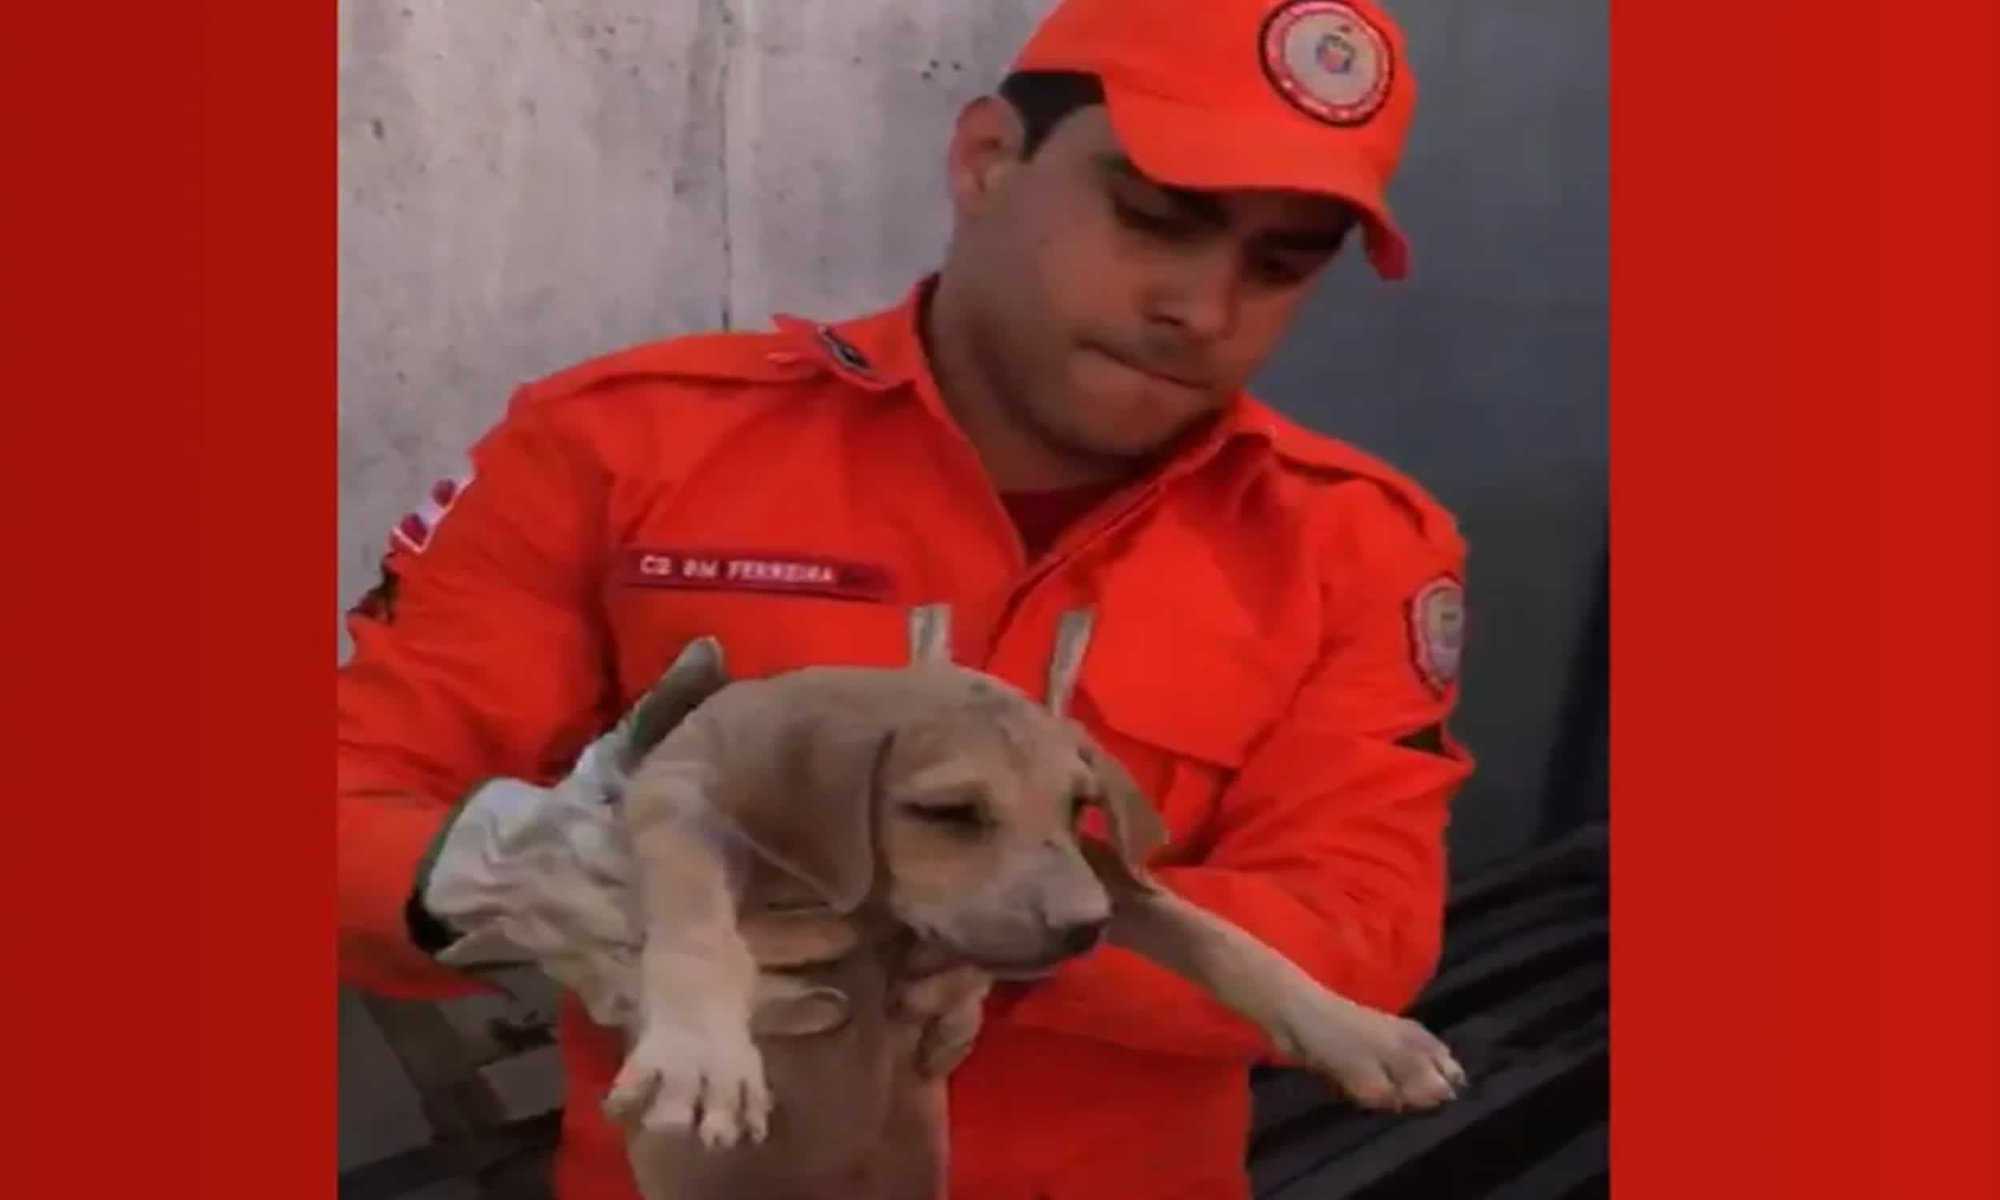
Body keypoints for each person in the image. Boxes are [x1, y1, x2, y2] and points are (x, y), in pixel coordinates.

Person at [337, 0, 1475, 1196]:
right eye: (1149, 218)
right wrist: (498, 871)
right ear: (986, 159)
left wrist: (1014, 940)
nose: (1200, 306)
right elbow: (340, 801)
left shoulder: (1349, 542)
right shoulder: (631, 450)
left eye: (1280, 264)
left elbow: (1358, 927)